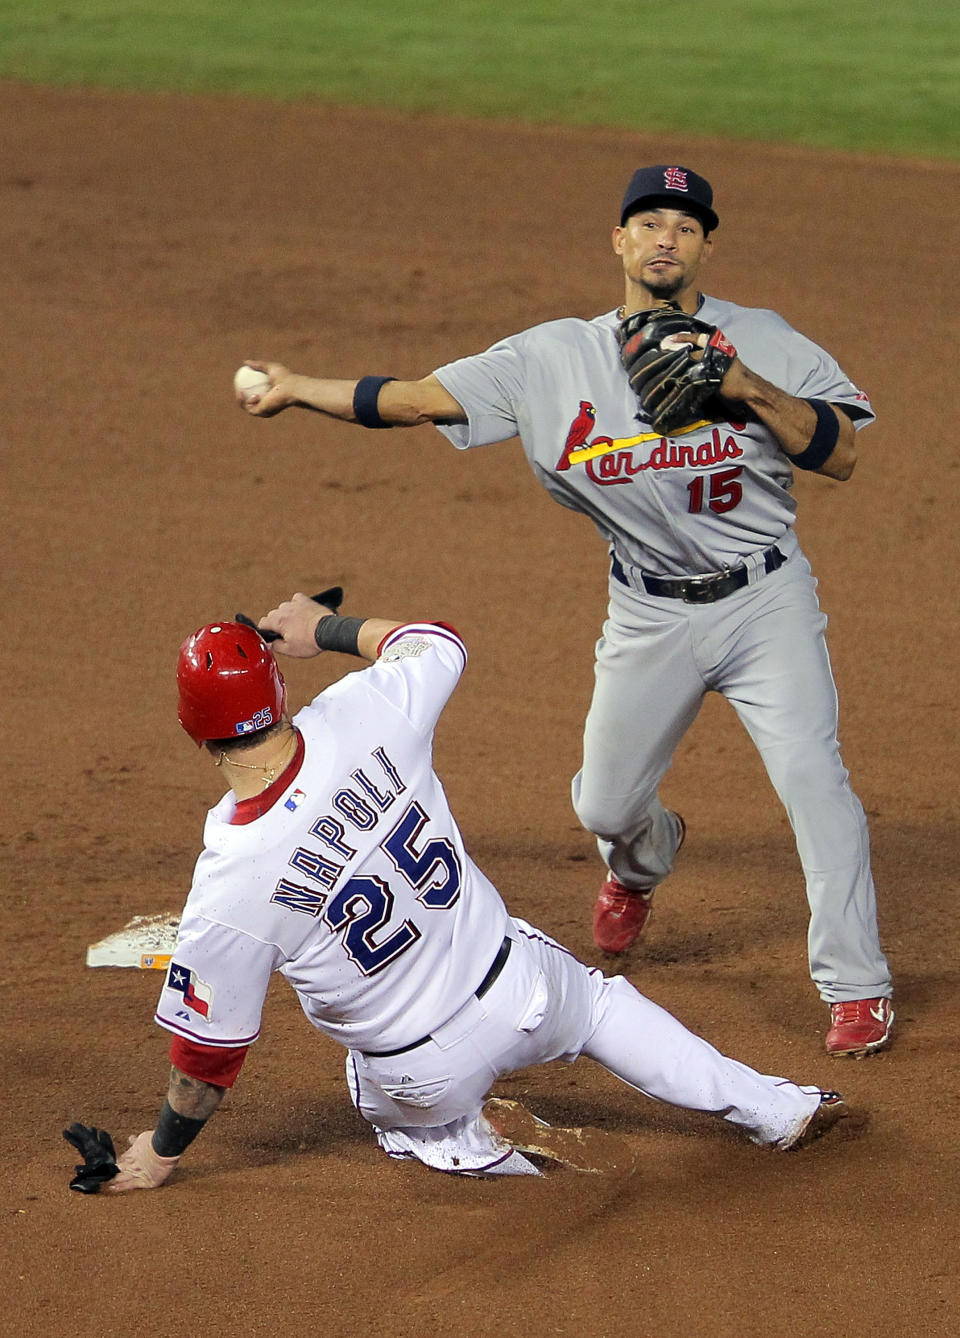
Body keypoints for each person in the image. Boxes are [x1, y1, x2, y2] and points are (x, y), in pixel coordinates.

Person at [235, 165, 893, 1059]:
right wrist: (296, 385)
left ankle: (857, 988)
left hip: (764, 601)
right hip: (649, 615)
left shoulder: (763, 340)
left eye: (687, 226)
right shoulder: (549, 360)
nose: (666, 237)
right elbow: (415, 399)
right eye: (649, 222)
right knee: (608, 802)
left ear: (705, 246)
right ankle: (642, 865)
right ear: (619, 242)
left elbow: (842, 453)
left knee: (818, 785)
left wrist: (741, 387)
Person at [76, 592, 849, 1193]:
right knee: (604, 1007)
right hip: (524, 986)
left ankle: (466, 1150)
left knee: (384, 1101)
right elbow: (435, 641)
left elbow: (206, 1059)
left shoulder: (230, 877)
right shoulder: (362, 710)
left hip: (420, 1070)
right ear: (276, 693)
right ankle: (776, 1107)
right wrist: (326, 628)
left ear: (193, 729)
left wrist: (161, 1153)